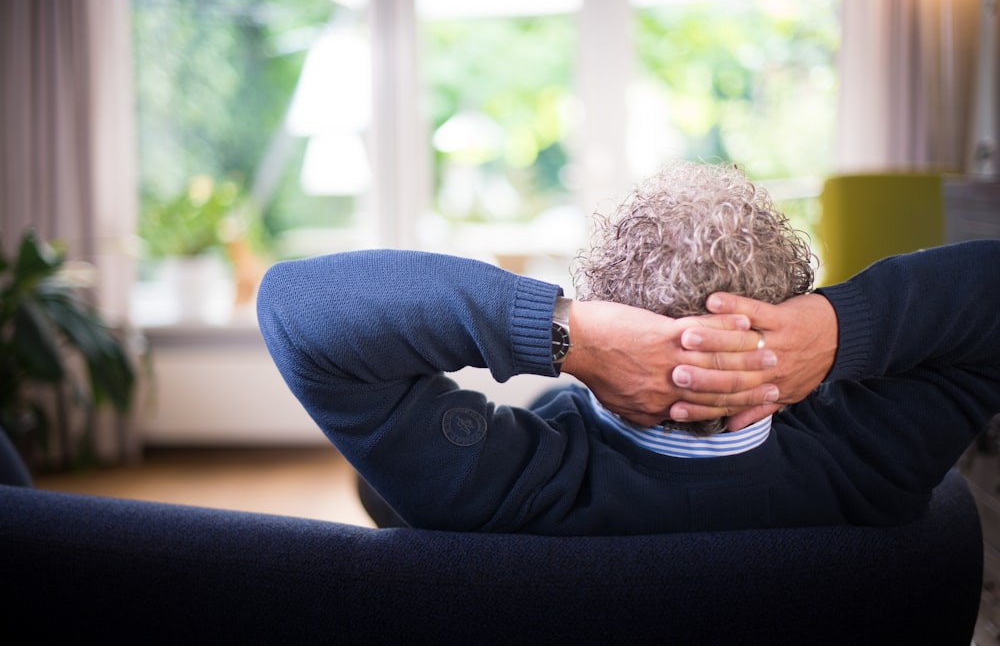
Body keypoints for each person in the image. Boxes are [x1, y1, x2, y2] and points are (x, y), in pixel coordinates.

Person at [257, 161, 1000, 535]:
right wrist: (840, 329)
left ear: (607, 311)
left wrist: (565, 337)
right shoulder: (872, 465)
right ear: (787, 315)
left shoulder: (504, 491)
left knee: (380, 486)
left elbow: (296, 307)